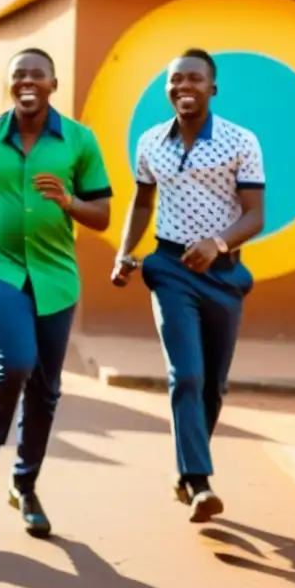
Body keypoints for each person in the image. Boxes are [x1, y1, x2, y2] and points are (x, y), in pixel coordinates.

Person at [0, 48, 112, 538]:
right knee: (15, 360)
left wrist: (68, 200)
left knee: (46, 385)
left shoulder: (79, 141)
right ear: (9, 85)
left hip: (56, 274)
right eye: (18, 74)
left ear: (52, 84)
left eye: (36, 74)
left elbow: (102, 214)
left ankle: (25, 484)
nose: (26, 81)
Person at [112, 48, 264, 523]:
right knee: (188, 375)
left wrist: (217, 244)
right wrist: (124, 252)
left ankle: (186, 474)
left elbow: (255, 214)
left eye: (194, 79)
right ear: (168, 89)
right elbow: (141, 202)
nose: (184, 87)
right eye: (175, 80)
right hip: (170, 267)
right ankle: (199, 481)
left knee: (213, 385)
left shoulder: (241, 141)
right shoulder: (151, 142)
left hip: (223, 273)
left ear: (211, 88)